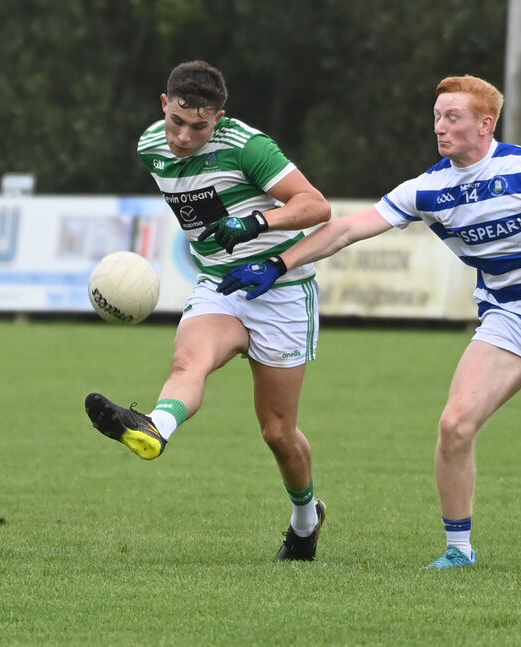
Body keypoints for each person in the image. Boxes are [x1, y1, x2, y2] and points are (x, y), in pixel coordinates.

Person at [216, 74, 521, 569]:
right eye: (436, 118)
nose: (440, 128)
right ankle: (458, 551)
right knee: (454, 425)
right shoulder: (429, 188)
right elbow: (345, 229)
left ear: (485, 124)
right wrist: (279, 264)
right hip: (507, 321)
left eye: (452, 117)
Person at [84, 60, 330, 561]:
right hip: (219, 286)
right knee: (187, 363)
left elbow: (316, 206)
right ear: (164, 105)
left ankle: (306, 520)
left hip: (281, 291)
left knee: (277, 431)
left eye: (199, 126)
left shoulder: (248, 147)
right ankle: (154, 427)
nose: (183, 136)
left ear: (219, 117)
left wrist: (255, 222)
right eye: (177, 121)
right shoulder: (149, 146)